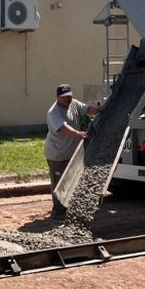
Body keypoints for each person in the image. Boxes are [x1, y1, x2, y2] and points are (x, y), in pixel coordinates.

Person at [44, 84, 104, 220]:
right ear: (57, 97)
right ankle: (58, 211)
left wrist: (99, 109)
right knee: (59, 183)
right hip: (57, 154)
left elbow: (88, 109)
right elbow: (64, 128)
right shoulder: (54, 113)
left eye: (69, 96)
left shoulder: (74, 104)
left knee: (73, 181)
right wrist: (78, 133)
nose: (67, 99)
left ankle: (70, 207)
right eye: (64, 97)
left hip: (73, 153)